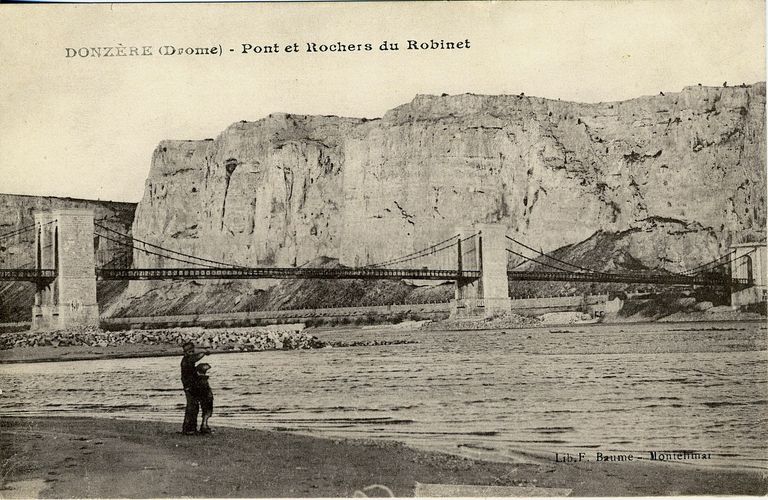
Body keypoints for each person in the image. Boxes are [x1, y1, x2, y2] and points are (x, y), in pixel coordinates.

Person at [180, 341, 206, 435]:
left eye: (192, 351)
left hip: (191, 386)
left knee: (193, 406)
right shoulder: (187, 360)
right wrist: (204, 351)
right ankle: (188, 429)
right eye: (189, 352)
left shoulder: (187, 359)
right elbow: (196, 358)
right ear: (185, 353)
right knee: (192, 407)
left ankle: (190, 428)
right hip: (189, 386)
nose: (191, 353)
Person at [193, 363, 214, 434]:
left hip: (203, 397)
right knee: (207, 411)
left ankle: (204, 425)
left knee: (205, 411)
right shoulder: (203, 380)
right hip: (206, 397)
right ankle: (204, 425)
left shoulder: (198, 380)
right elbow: (206, 389)